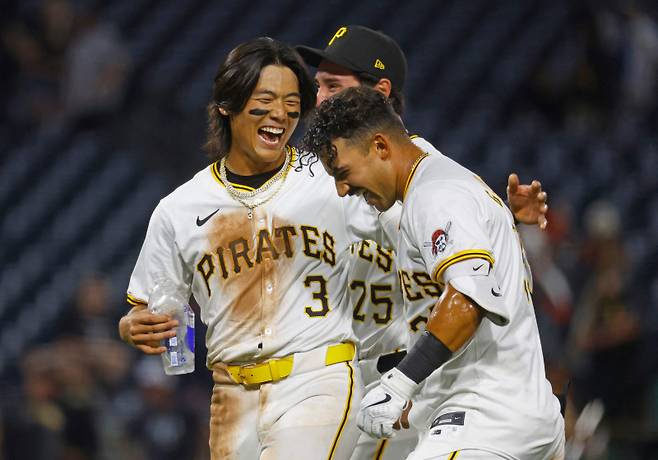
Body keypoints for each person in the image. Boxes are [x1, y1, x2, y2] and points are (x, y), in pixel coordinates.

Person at [118, 36, 399, 460]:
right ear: (227, 104)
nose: (281, 113)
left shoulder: (330, 178)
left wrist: (500, 218)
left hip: (318, 378)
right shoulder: (179, 209)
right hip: (231, 397)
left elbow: (411, 214)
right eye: (265, 99)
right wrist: (133, 325)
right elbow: (153, 304)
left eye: (292, 102)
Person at [297, 25, 550, 460]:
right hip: (433, 391)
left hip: (482, 408)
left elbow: (469, 294)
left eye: (333, 87)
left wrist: (400, 383)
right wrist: (504, 221)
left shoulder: (432, 192)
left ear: (377, 100)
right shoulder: (418, 181)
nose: (319, 98)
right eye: (318, 86)